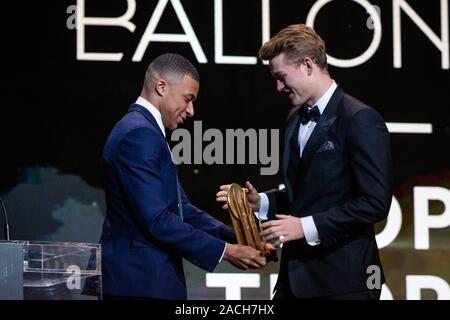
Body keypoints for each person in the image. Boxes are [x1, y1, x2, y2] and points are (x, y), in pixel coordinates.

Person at [216, 24, 392, 300]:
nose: (278, 87)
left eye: (282, 77)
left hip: (343, 284)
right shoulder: (294, 118)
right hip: (294, 280)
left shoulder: (359, 119)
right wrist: (260, 202)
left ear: (308, 65)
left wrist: (305, 226)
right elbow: (307, 195)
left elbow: (375, 202)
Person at [100, 53, 266, 300]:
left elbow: (181, 208)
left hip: (145, 281)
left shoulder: (147, 131)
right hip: (138, 284)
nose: (191, 111)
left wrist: (239, 238)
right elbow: (157, 220)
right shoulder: (139, 135)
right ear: (161, 87)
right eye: (188, 99)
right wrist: (227, 252)